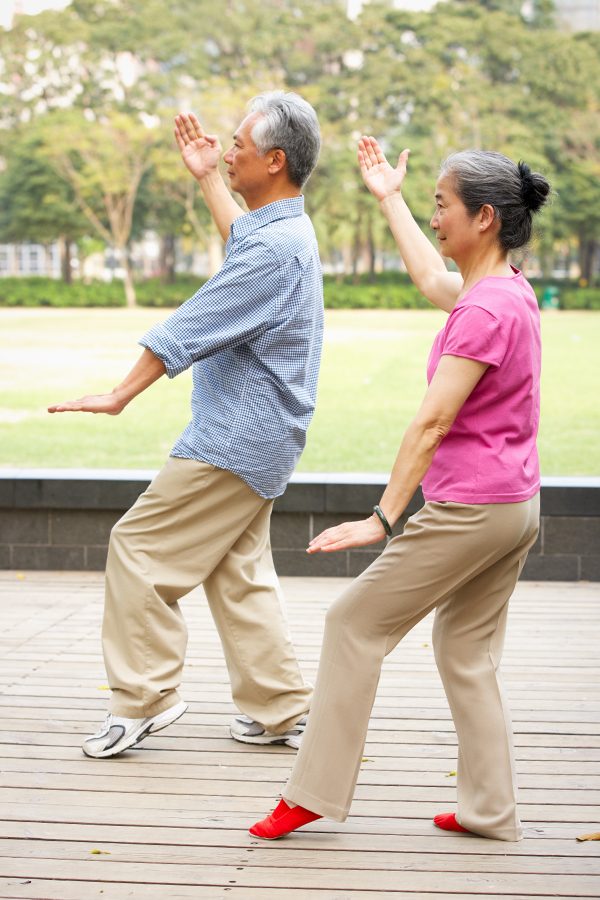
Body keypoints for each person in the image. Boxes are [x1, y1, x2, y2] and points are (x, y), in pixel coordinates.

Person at [250, 136, 550, 842]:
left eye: (440, 205)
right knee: (465, 653)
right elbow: (428, 278)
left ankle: (313, 792)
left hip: (473, 511)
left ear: (483, 217)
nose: (434, 216)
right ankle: (490, 810)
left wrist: (382, 520)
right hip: (515, 507)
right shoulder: (504, 292)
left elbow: (432, 422)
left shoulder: (482, 311)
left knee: (353, 624)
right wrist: (388, 198)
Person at [48, 91, 323, 758]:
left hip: (233, 438)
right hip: (265, 436)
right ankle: (279, 706)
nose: (228, 153)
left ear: (275, 160)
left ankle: (145, 697)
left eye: (238, 147)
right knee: (238, 567)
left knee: (138, 549)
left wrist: (120, 393)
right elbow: (243, 238)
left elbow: (188, 328)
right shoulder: (283, 229)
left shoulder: (274, 250)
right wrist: (206, 178)